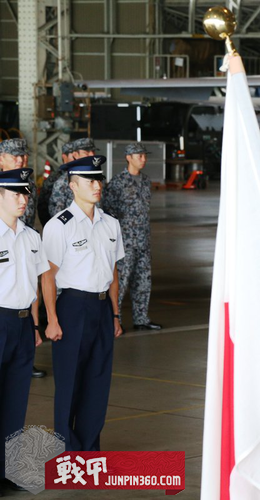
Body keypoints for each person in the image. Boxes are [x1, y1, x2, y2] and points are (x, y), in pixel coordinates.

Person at [42, 155, 124, 452]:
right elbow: (48, 276)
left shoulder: (111, 224)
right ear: (73, 186)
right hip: (72, 308)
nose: (97, 184)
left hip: (102, 309)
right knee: (70, 384)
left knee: (97, 383)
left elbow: (113, 273)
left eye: (98, 179)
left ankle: (89, 450)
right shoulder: (59, 226)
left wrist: (115, 314)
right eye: (90, 180)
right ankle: (68, 451)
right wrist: (51, 319)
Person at [0, 168, 47, 493]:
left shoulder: (32, 238)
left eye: (25, 193)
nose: (23, 199)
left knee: (15, 401)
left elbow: (35, 283)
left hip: (22, 324)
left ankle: (7, 470)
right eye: (15, 193)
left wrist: (34, 325)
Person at [103, 143, 161, 331]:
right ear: (128, 157)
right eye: (139, 156)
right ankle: (114, 318)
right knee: (120, 282)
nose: (143, 159)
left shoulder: (146, 181)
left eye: (144, 156)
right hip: (125, 242)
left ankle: (141, 318)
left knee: (143, 281)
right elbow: (108, 212)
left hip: (143, 240)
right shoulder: (117, 183)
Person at [48, 138, 97, 217]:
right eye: (86, 152)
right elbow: (58, 216)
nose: (92, 155)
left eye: (93, 151)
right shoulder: (63, 182)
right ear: (75, 155)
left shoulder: (98, 180)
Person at [38, 140, 77, 227]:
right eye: (73, 155)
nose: (76, 158)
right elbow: (43, 207)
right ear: (64, 156)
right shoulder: (54, 178)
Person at [0, 139, 37, 228]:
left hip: (26, 236)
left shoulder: (30, 183)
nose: (20, 160)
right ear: (1, 160)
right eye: (15, 156)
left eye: (22, 155)